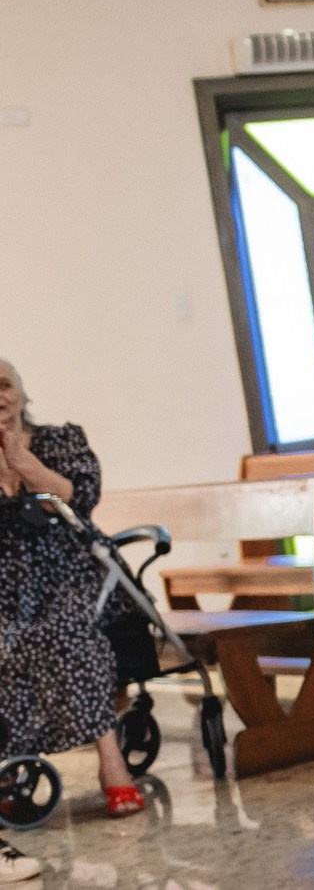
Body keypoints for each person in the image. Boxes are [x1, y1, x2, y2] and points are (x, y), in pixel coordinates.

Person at [0, 356, 144, 848]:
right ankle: (10, 769)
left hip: (74, 573)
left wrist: (23, 464)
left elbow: (79, 498)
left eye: (4, 385)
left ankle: (111, 761)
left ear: (23, 392)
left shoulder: (61, 441)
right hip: (8, 585)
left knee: (66, 631)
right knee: (8, 639)